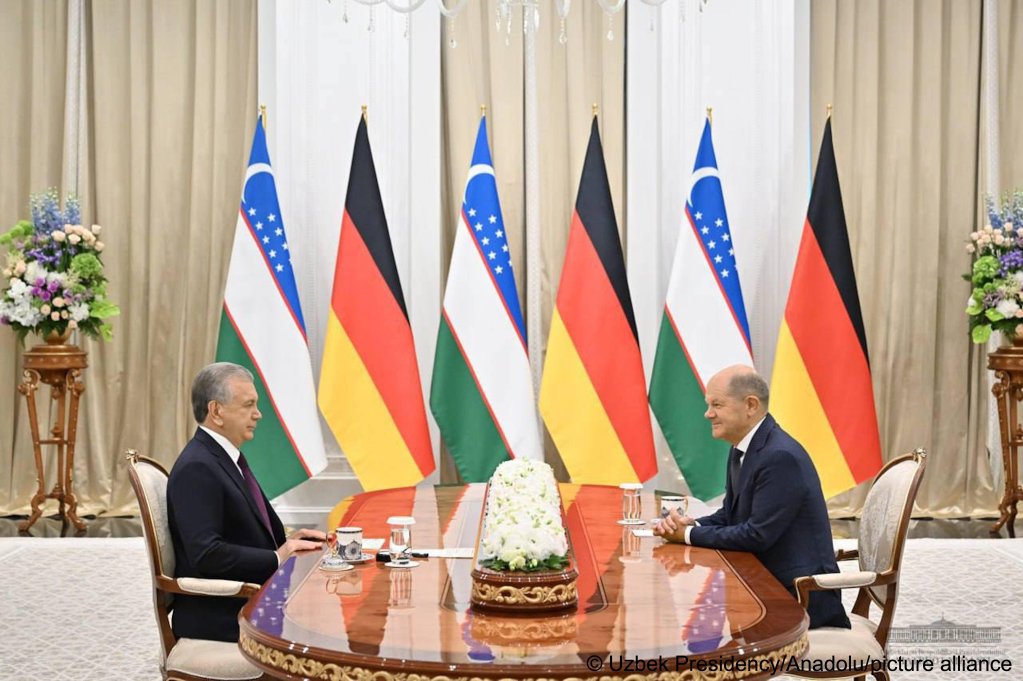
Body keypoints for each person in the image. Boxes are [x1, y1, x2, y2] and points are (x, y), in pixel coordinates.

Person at [654, 364, 850, 630]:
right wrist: (691, 524)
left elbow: (756, 536)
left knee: (695, 624)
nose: (707, 414)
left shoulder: (780, 456)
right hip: (763, 583)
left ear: (750, 405)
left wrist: (686, 535)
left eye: (717, 405)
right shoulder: (744, 447)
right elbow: (730, 514)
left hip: (798, 598)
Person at [167, 362, 325, 642]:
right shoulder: (197, 467)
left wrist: (289, 541)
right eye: (248, 405)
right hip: (223, 616)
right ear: (216, 411)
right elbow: (207, 554)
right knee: (327, 625)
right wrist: (277, 557)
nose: (258, 414)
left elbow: (242, 530)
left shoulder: (224, 458)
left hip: (254, 597)